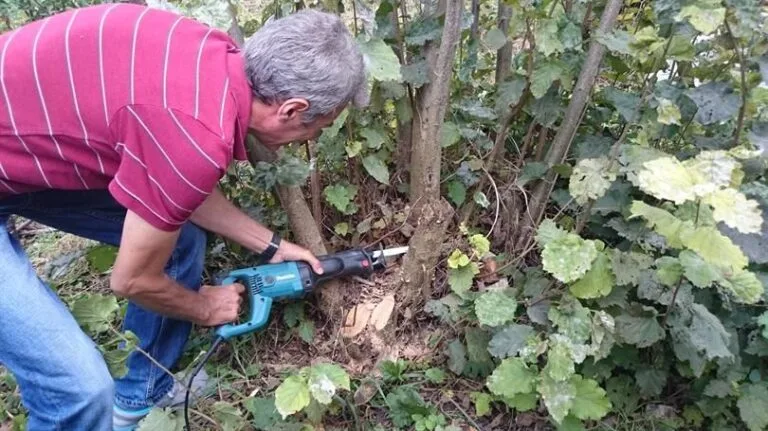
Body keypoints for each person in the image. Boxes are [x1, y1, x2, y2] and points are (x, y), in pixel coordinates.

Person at [0, 3, 368, 430]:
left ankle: (140, 394)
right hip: (15, 157)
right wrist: (203, 308)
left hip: (20, 155)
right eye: (315, 129)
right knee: (79, 390)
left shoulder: (209, 55)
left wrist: (272, 245)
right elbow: (131, 280)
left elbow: (175, 182)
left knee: (181, 241)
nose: (309, 139)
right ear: (290, 109)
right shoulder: (194, 136)